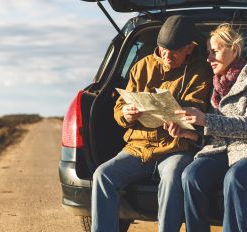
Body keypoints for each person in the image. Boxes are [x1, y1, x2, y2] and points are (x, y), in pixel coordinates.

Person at [91, 15, 212, 232]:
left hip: (175, 148)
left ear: (189, 48)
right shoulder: (140, 66)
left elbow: (198, 109)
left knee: (173, 176)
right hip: (138, 147)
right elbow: (120, 106)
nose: (167, 56)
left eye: (174, 51)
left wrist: (182, 122)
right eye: (162, 49)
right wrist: (125, 115)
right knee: (102, 175)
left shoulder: (200, 71)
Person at [165, 23, 247, 232]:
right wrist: (192, 134)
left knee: (235, 178)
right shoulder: (218, 83)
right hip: (226, 150)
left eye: (214, 51)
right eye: (207, 53)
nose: (208, 58)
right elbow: (219, 135)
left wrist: (206, 120)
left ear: (234, 48)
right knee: (191, 175)